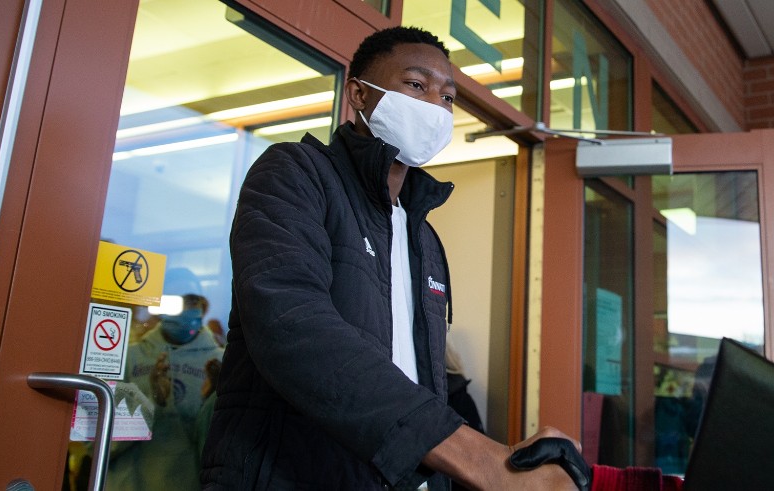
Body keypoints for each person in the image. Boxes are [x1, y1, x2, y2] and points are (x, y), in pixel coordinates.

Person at [200, 26, 577, 490]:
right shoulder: (296, 175)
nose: (435, 107)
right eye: (416, 85)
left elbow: (425, 384)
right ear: (359, 94)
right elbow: (292, 326)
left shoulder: (426, 239)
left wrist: (511, 461)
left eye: (447, 98)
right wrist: (480, 460)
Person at [109, 294, 224, 490]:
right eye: (179, 302)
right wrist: (152, 401)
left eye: (192, 302)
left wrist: (211, 403)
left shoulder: (222, 364)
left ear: (202, 308)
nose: (185, 309)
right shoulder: (128, 358)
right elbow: (100, 444)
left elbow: (228, 455)